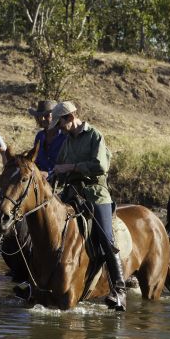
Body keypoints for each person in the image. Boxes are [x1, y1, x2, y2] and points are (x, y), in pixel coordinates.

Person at [50, 101, 126, 311]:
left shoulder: (94, 136)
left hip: (95, 193)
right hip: (71, 192)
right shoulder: (67, 141)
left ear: (70, 117)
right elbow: (60, 165)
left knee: (105, 237)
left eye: (60, 123)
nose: (58, 128)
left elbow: (101, 166)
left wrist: (72, 167)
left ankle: (119, 290)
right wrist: (57, 172)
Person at [28, 99, 66, 178]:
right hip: (39, 178)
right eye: (40, 116)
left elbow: (67, 164)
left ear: (55, 116)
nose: (42, 119)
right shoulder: (40, 136)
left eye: (46, 116)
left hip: (60, 180)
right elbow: (36, 160)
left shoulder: (65, 137)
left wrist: (49, 173)